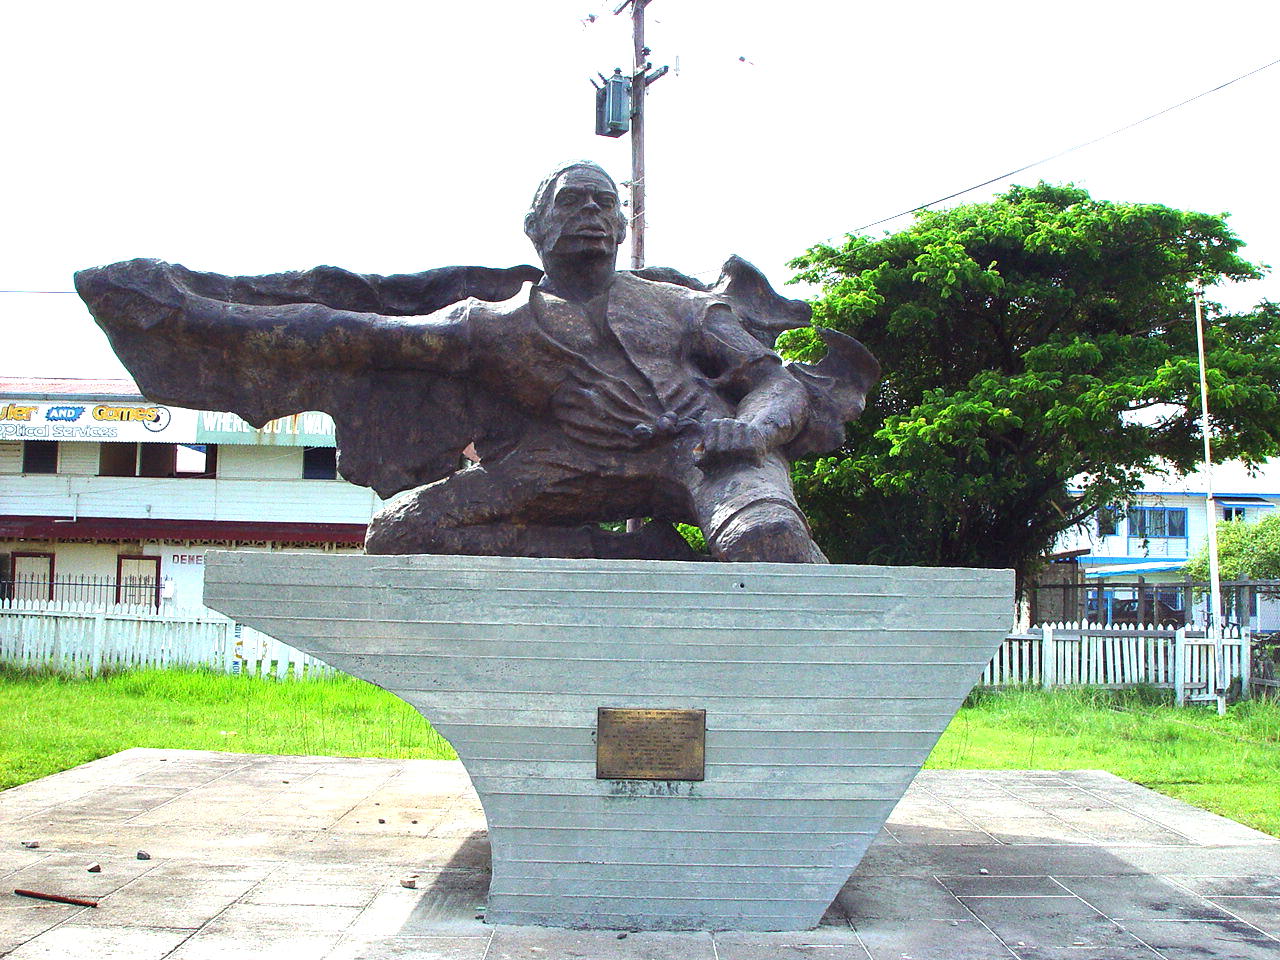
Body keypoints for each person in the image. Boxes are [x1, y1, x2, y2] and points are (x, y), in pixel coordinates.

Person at [76, 161, 878, 563]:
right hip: (564, 465)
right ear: (537, 228)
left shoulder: (676, 305)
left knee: (765, 545)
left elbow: (772, 378)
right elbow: (340, 331)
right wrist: (194, 313)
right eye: (574, 200)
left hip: (705, 452)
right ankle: (628, 556)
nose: (593, 214)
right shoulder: (490, 328)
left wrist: (749, 428)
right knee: (398, 532)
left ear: (625, 225)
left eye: (606, 203)